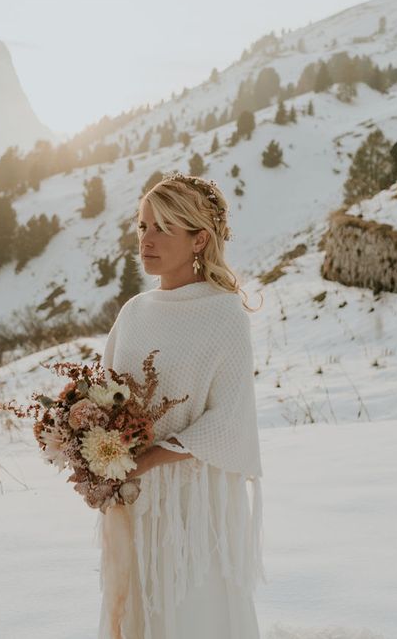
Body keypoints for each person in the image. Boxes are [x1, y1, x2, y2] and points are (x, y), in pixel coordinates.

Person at [96, 171, 265, 639]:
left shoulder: (224, 313)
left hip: (193, 505)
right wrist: (87, 449)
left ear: (199, 239)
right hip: (134, 500)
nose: (146, 240)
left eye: (163, 227)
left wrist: (149, 458)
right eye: (142, 226)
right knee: (137, 612)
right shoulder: (134, 312)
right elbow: (102, 397)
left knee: (191, 612)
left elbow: (228, 419)